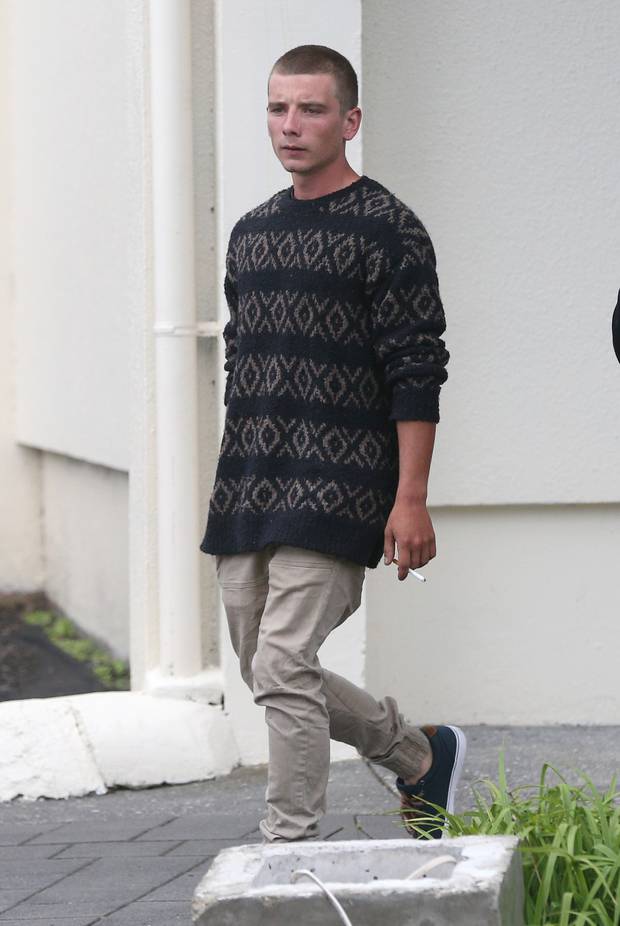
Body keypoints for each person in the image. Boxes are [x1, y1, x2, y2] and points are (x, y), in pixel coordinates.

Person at [200, 44, 466, 843]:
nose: (291, 125)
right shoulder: (251, 233)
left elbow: (419, 369)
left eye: (311, 109)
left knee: (283, 662)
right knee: (267, 667)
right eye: (279, 108)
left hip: (342, 483)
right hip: (251, 483)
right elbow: (245, 360)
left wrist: (409, 499)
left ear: (349, 120)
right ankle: (418, 757)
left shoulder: (388, 230)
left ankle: (288, 849)